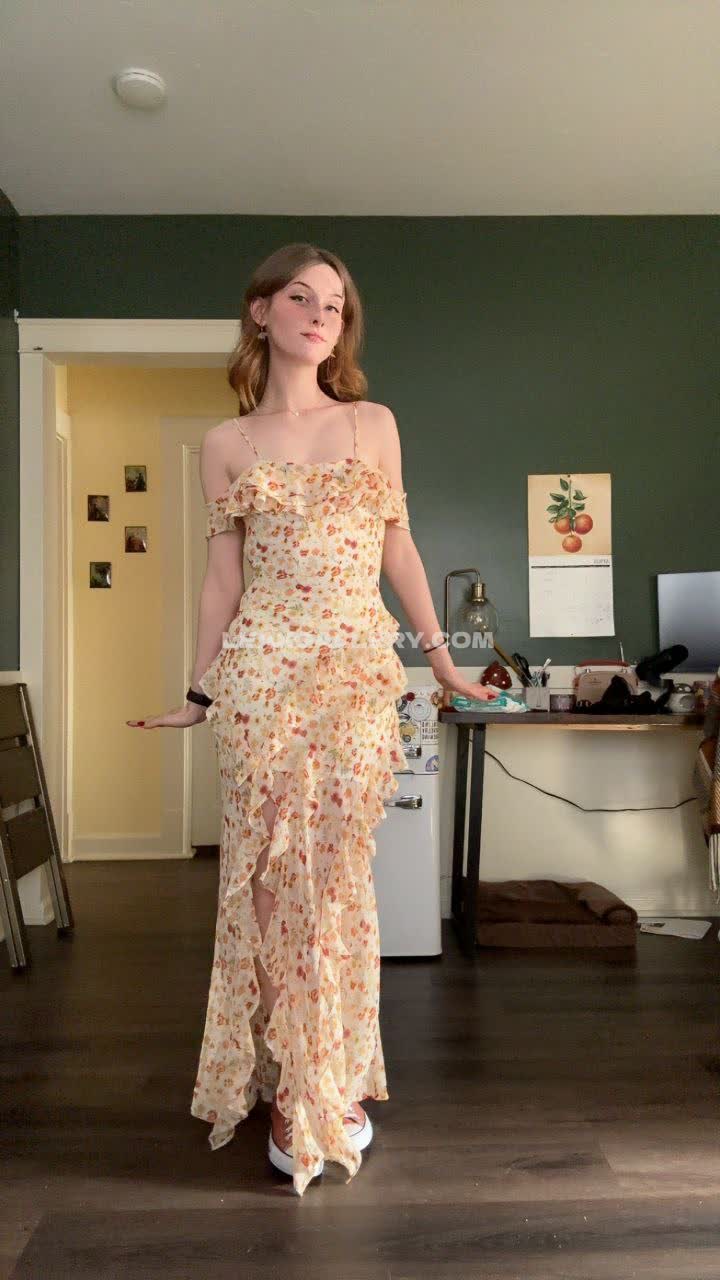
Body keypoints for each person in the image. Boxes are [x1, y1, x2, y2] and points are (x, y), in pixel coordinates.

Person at [126, 242, 499, 1195]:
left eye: (335, 304)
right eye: (301, 297)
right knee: (265, 880)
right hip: (261, 671)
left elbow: (399, 548)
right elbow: (223, 578)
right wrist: (200, 690)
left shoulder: (373, 424)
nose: (321, 315)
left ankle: (330, 1068)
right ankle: (295, 1089)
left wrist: (441, 659)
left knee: (335, 881)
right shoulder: (226, 443)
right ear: (261, 311)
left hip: (356, 671)